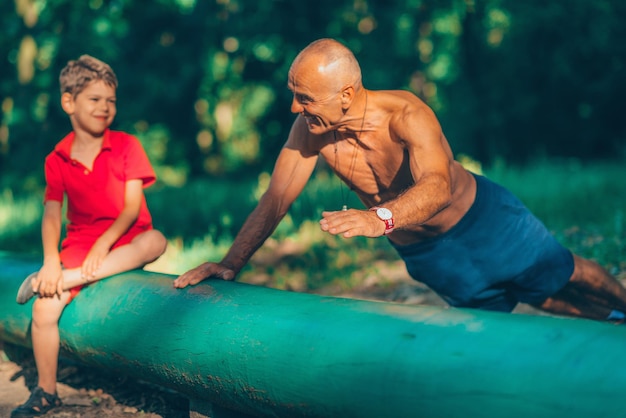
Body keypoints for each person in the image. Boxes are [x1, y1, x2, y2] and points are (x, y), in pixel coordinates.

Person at [174, 38, 626, 323]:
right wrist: (231, 263)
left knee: (565, 272)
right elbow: (274, 200)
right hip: (426, 252)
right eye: (293, 95)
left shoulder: (406, 114)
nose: (294, 108)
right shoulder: (310, 131)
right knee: (538, 300)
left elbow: (437, 185)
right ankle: (610, 326)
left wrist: (380, 219)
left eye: (304, 98)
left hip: (483, 221)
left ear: (346, 94)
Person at [12, 55, 167, 417]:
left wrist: (104, 243)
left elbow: (131, 208)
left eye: (111, 100)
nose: (105, 107)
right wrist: (51, 261)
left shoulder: (127, 145)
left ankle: (68, 279)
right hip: (79, 245)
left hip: (128, 237)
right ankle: (46, 392)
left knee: (157, 240)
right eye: (95, 99)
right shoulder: (57, 159)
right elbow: (52, 213)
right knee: (44, 309)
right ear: (69, 102)